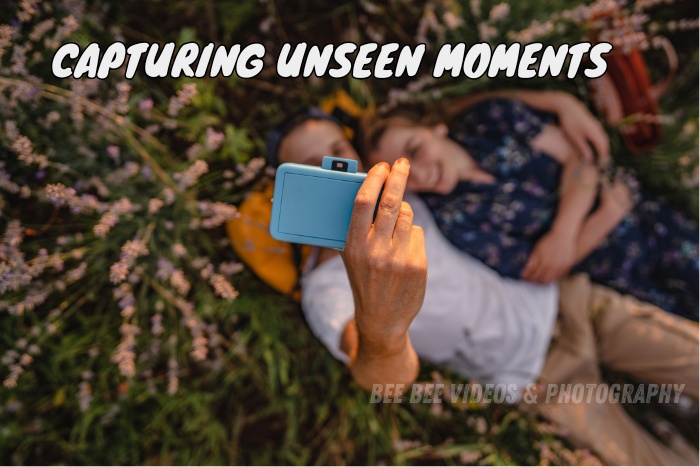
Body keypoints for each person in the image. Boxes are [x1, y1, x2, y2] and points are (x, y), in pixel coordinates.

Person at [267, 105, 699, 465]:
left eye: (337, 152)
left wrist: (555, 99)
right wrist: (382, 328)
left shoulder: (408, 192)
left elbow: (443, 121)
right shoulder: (325, 290)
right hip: (536, 378)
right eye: (308, 168)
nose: (331, 170)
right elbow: (382, 377)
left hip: (571, 302)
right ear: (288, 191)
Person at [365, 91, 699, 320]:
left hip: (650, 223)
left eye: (416, 150)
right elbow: (539, 268)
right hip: (616, 278)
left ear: (435, 128)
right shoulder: (452, 217)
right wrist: (605, 217)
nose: (420, 173)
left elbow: (580, 157)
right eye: (403, 175)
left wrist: (563, 232)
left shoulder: (490, 120)